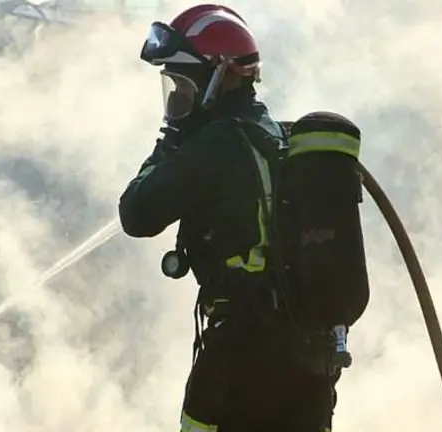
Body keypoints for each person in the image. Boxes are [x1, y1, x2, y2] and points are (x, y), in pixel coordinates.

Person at [118, 4, 341, 432]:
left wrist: (169, 140)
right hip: (306, 360)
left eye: (182, 84)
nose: (176, 99)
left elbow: (137, 213)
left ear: (217, 76)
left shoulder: (217, 145)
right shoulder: (275, 135)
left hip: (241, 356)